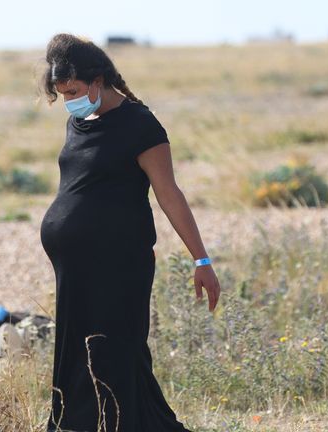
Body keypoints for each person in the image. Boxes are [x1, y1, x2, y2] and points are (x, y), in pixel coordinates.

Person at [38, 34, 221, 432]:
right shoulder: (79, 122)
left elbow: (169, 194)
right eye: (62, 93)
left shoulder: (141, 125)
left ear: (98, 80)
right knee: (77, 347)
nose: (69, 100)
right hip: (75, 266)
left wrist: (201, 259)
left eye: (73, 90)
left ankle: (122, 423)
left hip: (120, 262)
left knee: (116, 346)